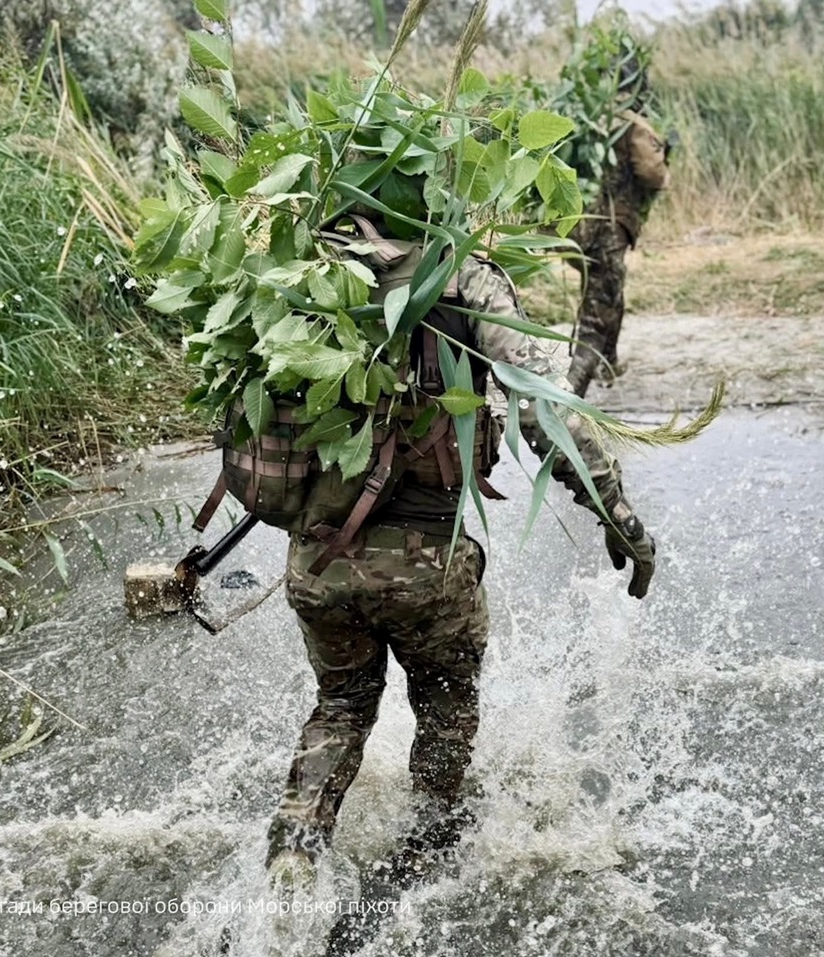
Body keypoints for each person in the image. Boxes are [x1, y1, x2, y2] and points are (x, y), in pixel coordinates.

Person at [264, 228, 658, 887]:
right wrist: (617, 512)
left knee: (342, 701)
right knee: (445, 701)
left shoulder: (304, 265)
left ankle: (296, 848)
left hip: (318, 565)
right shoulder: (463, 276)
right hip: (426, 568)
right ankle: (423, 863)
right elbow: (544, 410)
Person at [565, 44, 673, 398]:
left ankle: (608, 363)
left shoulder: (584, 116)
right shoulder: (631, 124)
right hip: (608, 228)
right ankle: (570, 395)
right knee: (600, 306)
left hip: (577, 226)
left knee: (608, 290)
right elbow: (652, 173)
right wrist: (664, 157)